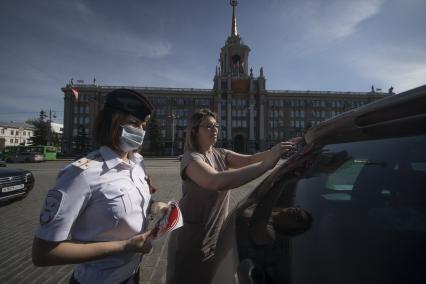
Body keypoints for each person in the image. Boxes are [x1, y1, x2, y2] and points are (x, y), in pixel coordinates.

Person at [32, 89, 168, 284]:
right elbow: (43, 253)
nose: (140, 131)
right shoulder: (82, 174)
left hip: (133, 274)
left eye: (143, 125)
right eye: (134, 124)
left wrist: (156, 206)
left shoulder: (137, 162)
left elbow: (135, 201)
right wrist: (125, 246)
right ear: (113, 122)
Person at [166, 108, 300, 284]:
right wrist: (266, 165)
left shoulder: (220, 153)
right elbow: (216, 181)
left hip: (215, 234)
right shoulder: (190, 158)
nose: (214, 129)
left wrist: (279, 149)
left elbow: (251, 159)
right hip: (192, 240)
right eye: (208, 126)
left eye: (216, 126)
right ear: (194, 130)